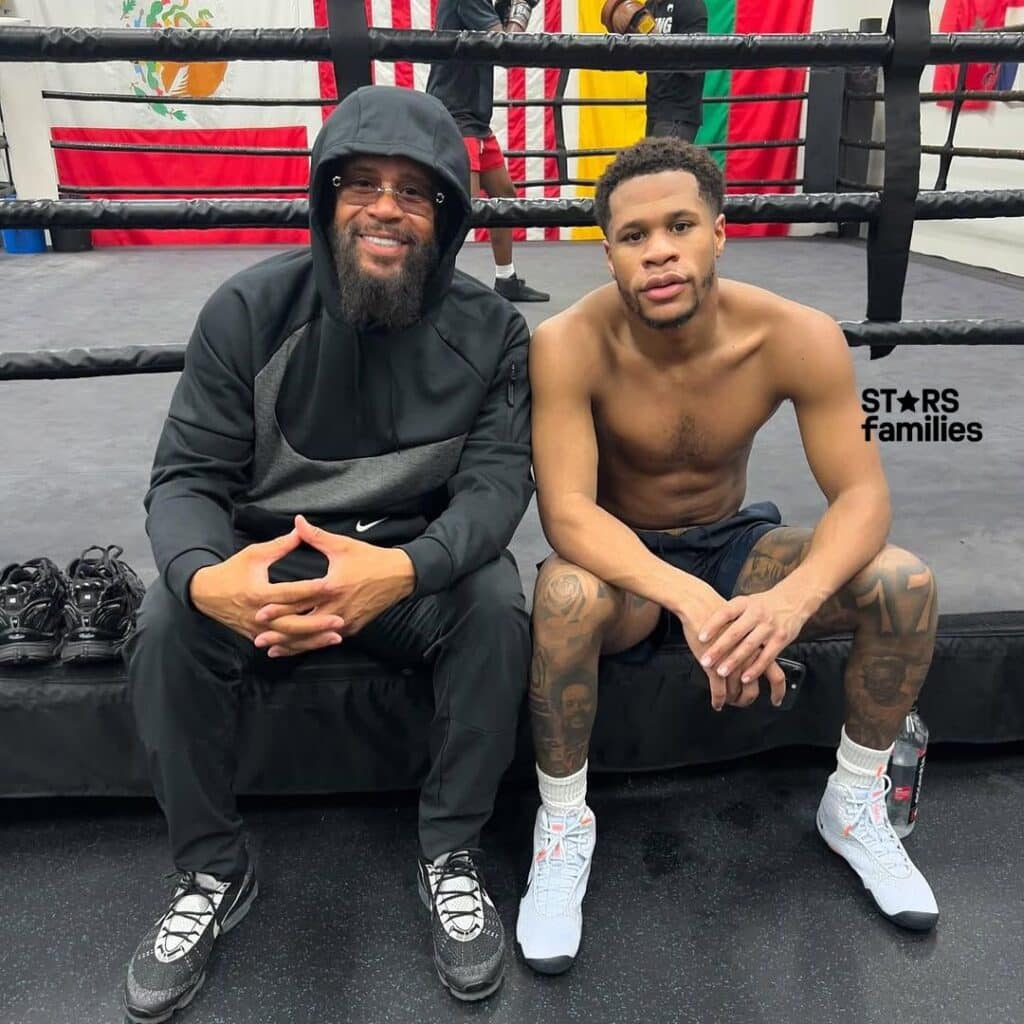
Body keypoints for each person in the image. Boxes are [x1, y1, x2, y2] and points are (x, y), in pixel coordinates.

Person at [121, 85, 533, 1020]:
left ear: (449, 216)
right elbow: (185, 476)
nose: (386, 206)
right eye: (363, 183)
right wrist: (207, 577)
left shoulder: (494, 333)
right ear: (325, 196)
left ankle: (449, 853)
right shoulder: (248, 311)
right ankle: (212, 872)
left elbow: (499, 487)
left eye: (417, 191)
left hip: (404, 569)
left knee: (497, 607)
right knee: (163, 619)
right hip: (270, 564)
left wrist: (407, 567)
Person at [515, 136, 940, 975]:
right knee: (562, 598)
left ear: (719, 231)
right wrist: (685, 597)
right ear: (608, 255)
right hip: (623, 566)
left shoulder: (798, 335)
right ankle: (562, 825)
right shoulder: (566, 342)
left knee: (903, 581)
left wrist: (787, 601)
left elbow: (863, 496)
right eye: (634, 236)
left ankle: (854, 802)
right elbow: (565, 512)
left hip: (738, 547)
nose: (659, 251)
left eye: (679, 226)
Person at [426, 0, 550, 303]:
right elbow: (504, 48)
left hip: (476, 120)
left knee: (504, 196)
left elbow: (498, 38)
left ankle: (506, 278)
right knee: (462, 207)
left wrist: (511, 8)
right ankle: (428, 284)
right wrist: (521, 8)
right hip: (455, 116)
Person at [600, 0, 709, 141]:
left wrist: (654, 35)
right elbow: (641, 66)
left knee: (664, 162)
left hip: (678, 111)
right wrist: (628, 38)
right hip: (654, 111)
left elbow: (695, 65)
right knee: (652, 162)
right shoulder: (650, 5)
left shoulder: (689, 4)